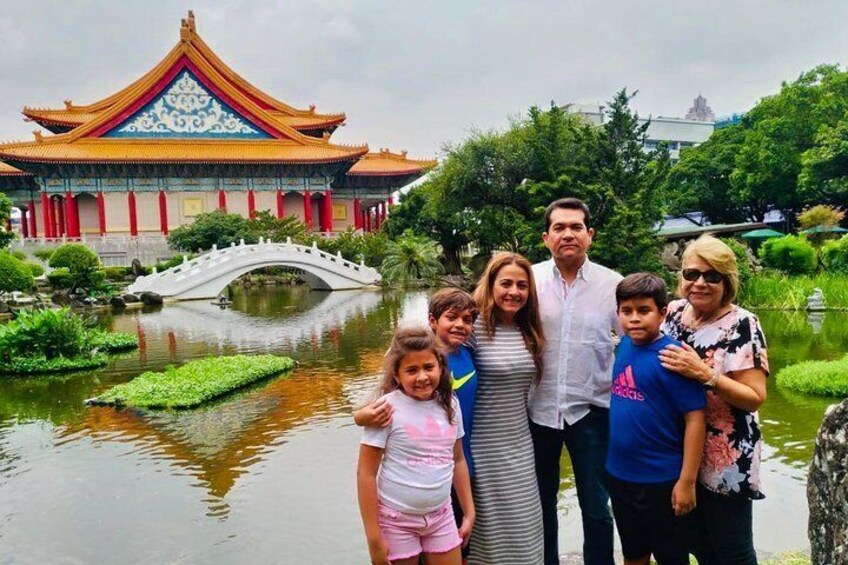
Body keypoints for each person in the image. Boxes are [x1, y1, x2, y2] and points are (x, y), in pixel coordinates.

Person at [658, 235, 769, 565]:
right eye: (692, 274)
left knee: (731, 550)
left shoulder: (742, 324)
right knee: (696, 543)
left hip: (725, 455)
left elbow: (754, 398)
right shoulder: (674, 313)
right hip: (677, 449)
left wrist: (705, 375)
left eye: (712, 276)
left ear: (728, 281)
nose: (700, 283)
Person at [354, 288, 479, 561]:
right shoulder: (386, 409)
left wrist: (469, 511)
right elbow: (366, 473)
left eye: (429, 368)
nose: (422, 377)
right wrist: (374, 537)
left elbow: (456, 459)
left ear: (440, 367)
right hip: (396, 520)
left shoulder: (450, 404)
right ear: (396, 375)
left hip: (442, 514)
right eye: (411, 370)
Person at [530, 197, 621, 565]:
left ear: (590, 235)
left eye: (576, 227)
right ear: (546, 237)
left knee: (597, 504)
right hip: (536, 411)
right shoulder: (527, 280)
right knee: (540, 502)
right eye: (559, 228)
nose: (568, 234)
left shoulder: (613, 285)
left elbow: (637, 338)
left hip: (592, 412)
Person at [606, 273, 706, 565]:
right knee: (633, 552)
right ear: (618, 314)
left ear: (663, 313)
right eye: (627, 312)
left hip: (662, 479)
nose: (634, 319)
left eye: (644, 311)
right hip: (620, 475)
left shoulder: (673, 357)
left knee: (670, 555)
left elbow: (695, 419)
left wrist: (686, 481)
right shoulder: (623, 345)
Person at [467, 252, 545, 564]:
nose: (514, 292)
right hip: (481, 447)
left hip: (520, 445)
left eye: (522, 285)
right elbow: (412, 356)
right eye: (506, 283)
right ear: (490, 285)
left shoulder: (530, 332)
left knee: (524, 527)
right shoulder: (470, 329)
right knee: (485, 533)